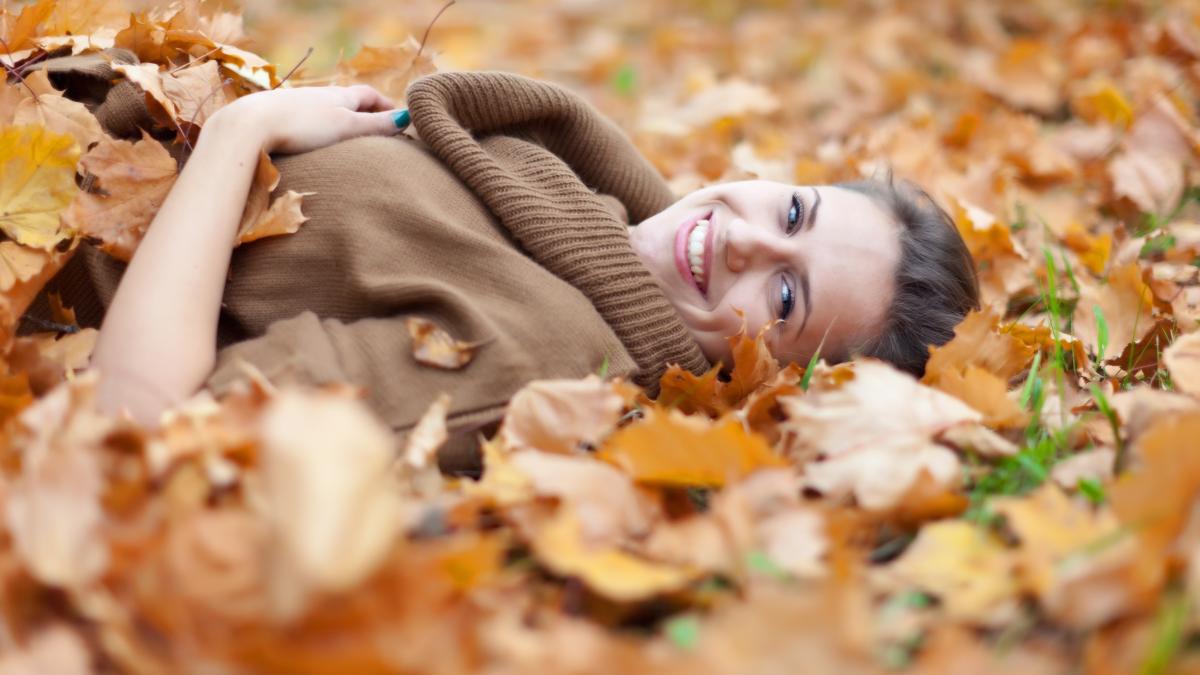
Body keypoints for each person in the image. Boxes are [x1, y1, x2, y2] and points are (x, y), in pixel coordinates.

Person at [31, 50, 978, 471]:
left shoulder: (540, 358)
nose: (748, 238)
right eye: (795, 211)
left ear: (766, 374)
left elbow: (139, 428)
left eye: (787, 293)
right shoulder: (588, 201)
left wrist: (244, 134)